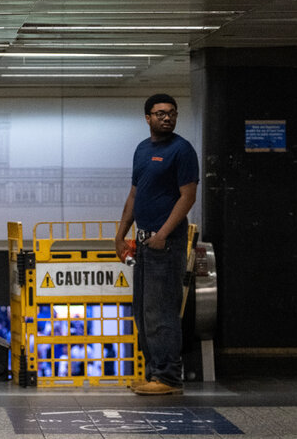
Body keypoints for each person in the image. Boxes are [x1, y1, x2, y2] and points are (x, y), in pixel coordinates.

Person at [114, 93, 198, 396]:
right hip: (143, 242)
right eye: (160, 113)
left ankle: (169, 377)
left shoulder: (182, 150)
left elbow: (188, 196)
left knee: (161, 311)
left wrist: (162, 234)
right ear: (147, 118)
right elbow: (134, 194)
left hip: (166, 243)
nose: (167, 117)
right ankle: (154, 373)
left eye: (171, 113)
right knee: (143, 311)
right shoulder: (142, 149)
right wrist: (120, 234)